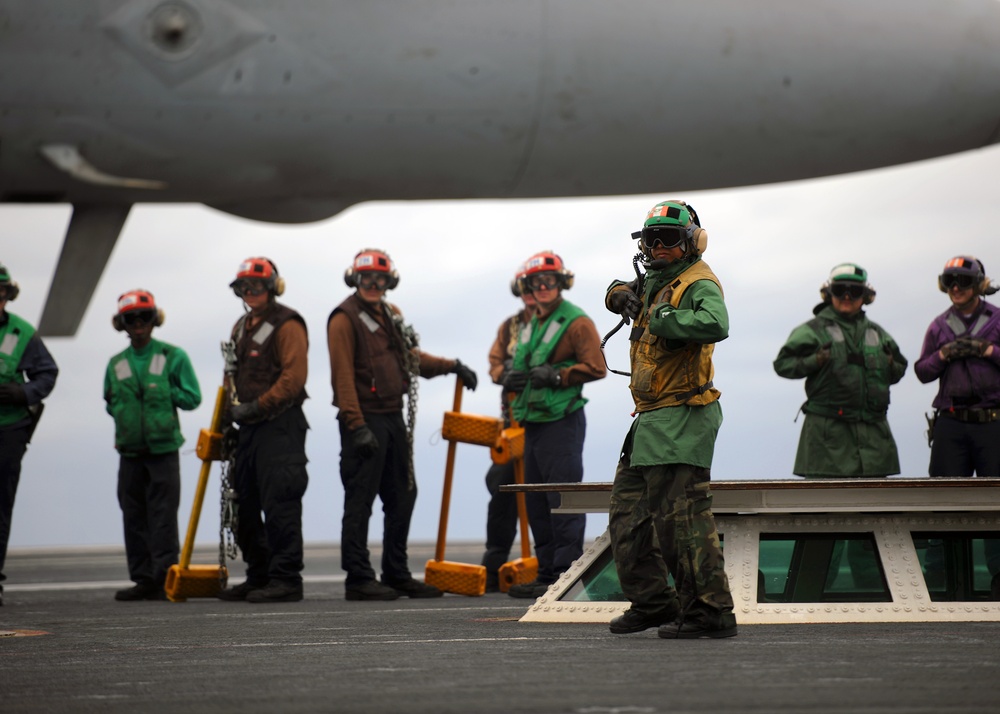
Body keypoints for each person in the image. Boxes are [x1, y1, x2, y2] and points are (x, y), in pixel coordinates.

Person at [604, 200, 736, 638]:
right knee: (628, 519)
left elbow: (716, 323)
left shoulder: (699, 282)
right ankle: (654, 602)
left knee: (683, 523)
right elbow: (622, 290)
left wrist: (660, 316)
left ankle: (709, 613)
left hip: (682, 417)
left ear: (691, 243)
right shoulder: (656, 279)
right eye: (651, 239)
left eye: (668, 239)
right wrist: (618, 293)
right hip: (648, 422)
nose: (658, 246)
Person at [328, 249, 479, 601]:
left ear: (389, 282)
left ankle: (396, 573)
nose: (374, 284)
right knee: (360, 498)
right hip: (363, 419)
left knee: (402, 495)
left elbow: (409, 358)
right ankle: (358, 578)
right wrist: (356, 424)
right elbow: (342, 377)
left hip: (392, 418)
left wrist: (451, 365)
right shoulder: (343, 319)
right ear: (355, 279)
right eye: (367, 278)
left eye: (380, 279)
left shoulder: (390, 314)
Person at [503, 251, 606, 599]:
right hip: (533, 423)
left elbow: (596, 366)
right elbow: (523, 361)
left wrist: (560, 375)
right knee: (536, 502)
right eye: (536, 282)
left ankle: (565, 575)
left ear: (561, 283)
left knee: (562, 500)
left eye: (549, 281)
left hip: (562, 422)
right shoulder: (534, 320)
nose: (543, 287)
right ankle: (546, 571)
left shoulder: (576, 322)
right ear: (528, 286)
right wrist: (511, 377)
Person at [216, 257, 310, 603]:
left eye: (257, 286)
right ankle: (258, 575)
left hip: (280, 427)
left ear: (273, 288)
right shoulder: (241, 327)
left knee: (280, 502)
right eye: (244, 287)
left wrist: (257, 407)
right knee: (243, 502)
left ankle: (286, 579)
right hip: (250, 431)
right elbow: (230, 378)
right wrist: (227, 421)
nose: (250, 292)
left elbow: (294, 377)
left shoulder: (288, 324)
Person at [104, 290, 201, 601]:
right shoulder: (116, 364)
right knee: (133, 516)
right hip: (130, 454)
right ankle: (143, 579)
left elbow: (192, 397)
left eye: (144, 317)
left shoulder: (173, 357)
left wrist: (165, 396)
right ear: (122, 324)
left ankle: (164, 578)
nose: (138, 324)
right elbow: (110, 401)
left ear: (154, 319)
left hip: (163, 453)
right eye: (130, 319)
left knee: (162, 517)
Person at [914, 255, 1000, 598]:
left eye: (963, 282)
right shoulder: (939, 326)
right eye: (950, 281)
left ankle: (998, 577)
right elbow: (922, 372)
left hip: (992, 424)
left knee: (996, 503)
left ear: (977, 284)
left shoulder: (997, 320)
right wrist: (945, 354)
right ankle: (941, 580)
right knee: (943, 503)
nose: (955, 288)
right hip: (951, 425)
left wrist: (988, 350)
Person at [774, 263, 907, 478]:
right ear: (828, 293)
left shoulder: (878, 334)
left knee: (876, 509)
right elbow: (782, 364)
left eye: (854, 291)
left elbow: (900, 369)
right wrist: (814, 361)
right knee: (823, 507)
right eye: (839, 290)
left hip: (874, 444)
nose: (846, 296)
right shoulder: (812, 331)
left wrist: (890, 364)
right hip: (827, 445)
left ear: (865, 296)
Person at [0, 264, 58, 607]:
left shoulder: (21, 332)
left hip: (9, 430)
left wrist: (22, 394)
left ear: (8, 294)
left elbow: (47, 373)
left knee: (0, 508)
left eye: (1, 293)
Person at [480, 266, 536, 591]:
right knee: (501, 487)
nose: (532, 293)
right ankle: (493, 564)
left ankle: (556, 562)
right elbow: (494, 363)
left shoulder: (560, 324)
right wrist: (504, 375)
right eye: (527, 287)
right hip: (511, 422)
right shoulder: (510, 327)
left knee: (545, 492)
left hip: (546, 422)